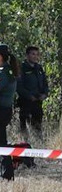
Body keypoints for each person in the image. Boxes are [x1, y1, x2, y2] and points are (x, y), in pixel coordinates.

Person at [16, 46, 49, 138]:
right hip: (26, 103)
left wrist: (45, 94)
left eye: (37, 54)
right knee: (25, 128)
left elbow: (45, 83)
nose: (35, 56)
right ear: (27, 55)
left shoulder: (39, 68)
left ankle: (38, 146)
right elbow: (19, 86)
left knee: (37, 128)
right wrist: (29, 96)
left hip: (38, 103)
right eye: (33, 54)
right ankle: (25, 146)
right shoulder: (21, 68)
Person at [0, 44, 20, 181]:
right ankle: (7, 172)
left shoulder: (3, 73)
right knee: (2, 141)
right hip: (5, 110)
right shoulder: (9, 71)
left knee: (1, 143)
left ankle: (7, 172)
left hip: (1, 110)